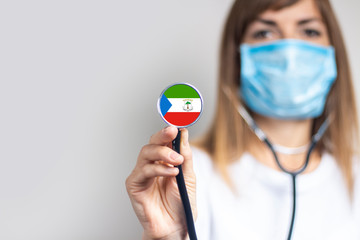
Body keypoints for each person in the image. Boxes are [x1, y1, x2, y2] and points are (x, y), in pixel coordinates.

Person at [126, 0, 360, 239]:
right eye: (265, 32)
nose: (289, 51)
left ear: (334, 54)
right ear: (237, 60)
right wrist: (168, 236)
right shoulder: (186, 174)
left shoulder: (356, 174)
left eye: (309, 31)